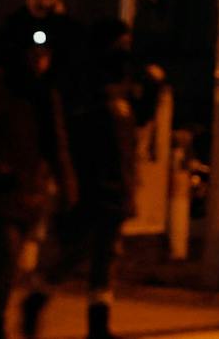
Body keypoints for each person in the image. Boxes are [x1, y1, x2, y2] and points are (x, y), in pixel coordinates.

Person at [22, 18, 156, 339]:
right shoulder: (90, 89)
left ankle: (96, 324)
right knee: (78, 251)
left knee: (105, 256)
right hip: (94, 188)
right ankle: (37, 299)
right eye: (120, 43)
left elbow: (137, 119)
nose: (124, 51)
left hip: (116, 187)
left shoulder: (119, 87)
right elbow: (82, 141)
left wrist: (152, 88)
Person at [0, 29, 75, 339]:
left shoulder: (46, 97)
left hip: (28, 195)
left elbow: (56, 145)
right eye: (34, 55)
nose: (40, 61)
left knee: (0, 265)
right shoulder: (2, 91)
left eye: (45, 55)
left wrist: (67, 185)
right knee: (5, 259)